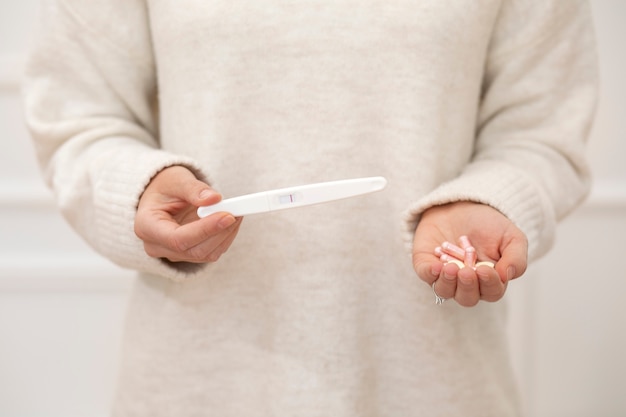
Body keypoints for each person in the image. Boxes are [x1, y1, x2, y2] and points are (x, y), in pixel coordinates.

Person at [23, 0, 597, 415]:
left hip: (438, 382)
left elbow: (542, 132)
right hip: (197, 382)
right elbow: (79, 118)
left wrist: (486, 200)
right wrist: (135, 187)